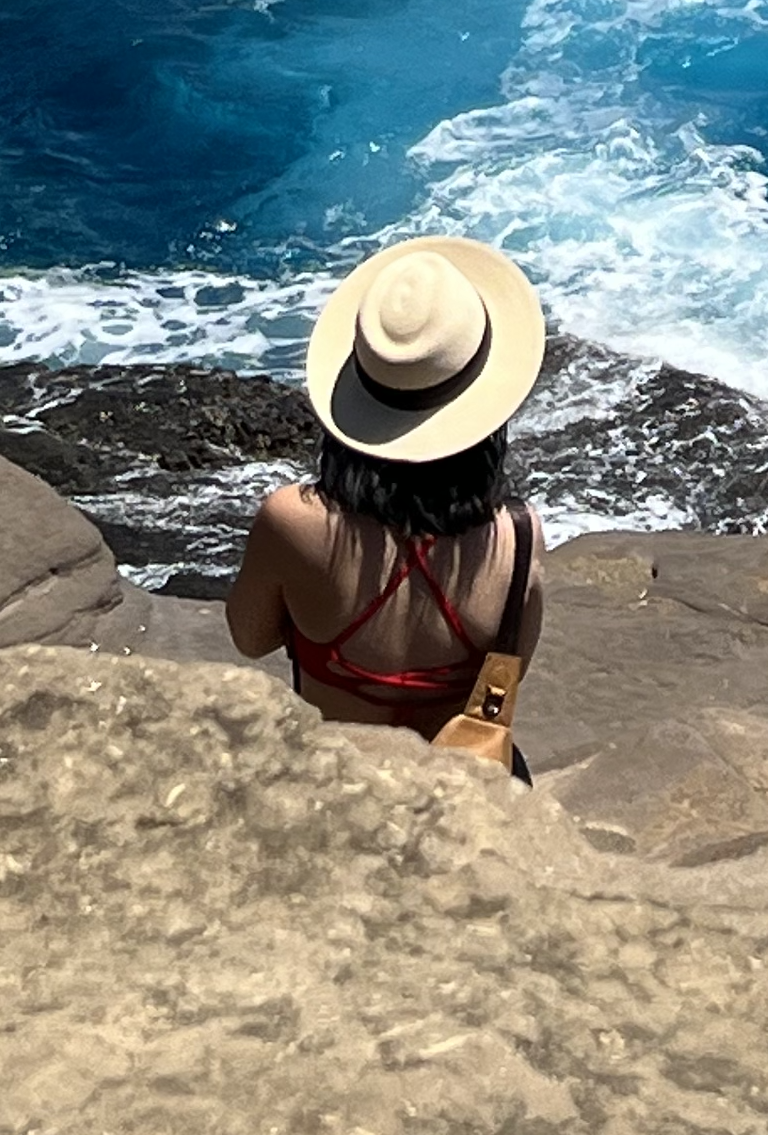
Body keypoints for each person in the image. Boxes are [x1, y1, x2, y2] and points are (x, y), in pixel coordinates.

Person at [224, 235, 545, 767]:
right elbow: (507, 677)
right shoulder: (518, 537)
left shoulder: (291, 520)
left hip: (337, 783)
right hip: (459, 800)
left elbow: (249, 638)